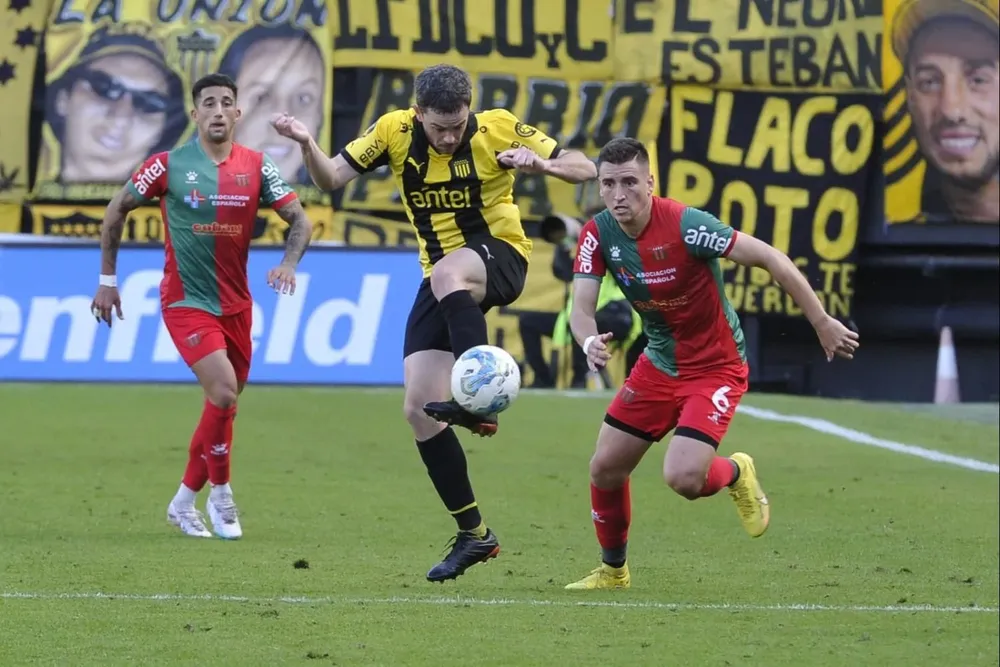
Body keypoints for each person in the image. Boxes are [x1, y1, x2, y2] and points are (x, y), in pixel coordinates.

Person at [270, 63, 597, 581]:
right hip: (444, 279)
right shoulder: (393, 131)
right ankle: (475, 533)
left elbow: (586, 167)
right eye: (439, 127)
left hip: (501, 255)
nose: (448, 137)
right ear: (418, 113)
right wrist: (308, 143)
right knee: (419, 410)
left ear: (470, 109)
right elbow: (329, 178)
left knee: (447, 273)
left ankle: (478, 398)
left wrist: (542, 164)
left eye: (457, 125)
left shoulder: (498, 127)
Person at [564, 138, 859, 590]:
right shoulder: (597, 233)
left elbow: (770, 258)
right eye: (608, 184)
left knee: (683, 479)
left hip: (716, 366)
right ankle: (613, 572)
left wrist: (820, 321)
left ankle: (736, 471)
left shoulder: (687, 225)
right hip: (660, 362)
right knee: (605, 467)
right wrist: (588, 341)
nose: (618, 194)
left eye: (629, 182)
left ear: (650, 182)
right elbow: (581, 309)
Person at [90, 73, 313, 541]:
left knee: (221, 404)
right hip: (185, 300)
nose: (217, 110)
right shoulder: (167, 165)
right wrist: (107, 281)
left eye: (226, 102)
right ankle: (222, 495)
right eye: (208, 103)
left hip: (237, 304)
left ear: (238, 113)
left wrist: (289, 263)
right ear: (195, 114)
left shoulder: (258, 166)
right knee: (225, 393)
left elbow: (300, 220)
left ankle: (182, 501)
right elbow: (116, 210)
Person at [893, 0, 999, 222]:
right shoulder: (897, 221)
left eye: (978, 80)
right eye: (929, 82)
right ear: (909, 97)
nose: (951, 110)